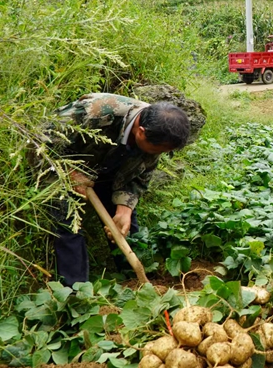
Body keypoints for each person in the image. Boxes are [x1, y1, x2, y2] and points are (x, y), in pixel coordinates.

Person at [36, 93, 190, 286]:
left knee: (126, 225)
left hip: (106, 169)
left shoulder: (158, 133)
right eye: (158, 150)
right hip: (59, 168)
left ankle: (134, 281)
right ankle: (75, 292)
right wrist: (68, 171)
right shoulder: (96, 111)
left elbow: (139, 177)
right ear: (141, 132)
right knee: (68, 221)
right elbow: (39, 141)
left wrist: (125, 208)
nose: (160, 155)